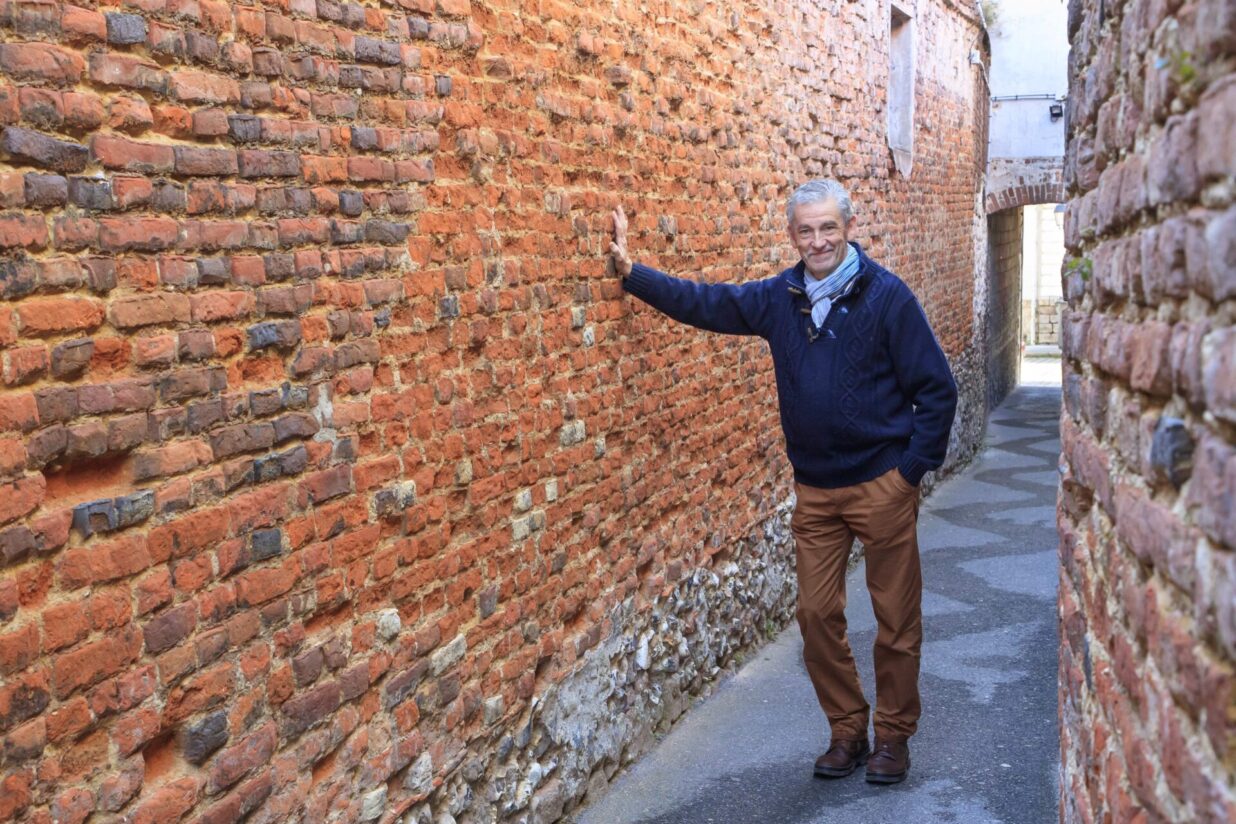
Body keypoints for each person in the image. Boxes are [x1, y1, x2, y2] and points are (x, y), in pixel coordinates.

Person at [608, 179, 958, 785]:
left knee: (896, 620)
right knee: (816, 614)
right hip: (817, 492)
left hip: (882, 485)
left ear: (847, 227)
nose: (817, 240)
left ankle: (893, 738)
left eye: (827, 227)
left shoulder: (888, 299)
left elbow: (937, 390)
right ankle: (847, 729)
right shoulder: (781, 297)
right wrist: (633, 272)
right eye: (805, 230)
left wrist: (908, 474)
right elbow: (709, 303)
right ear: (792, 235)